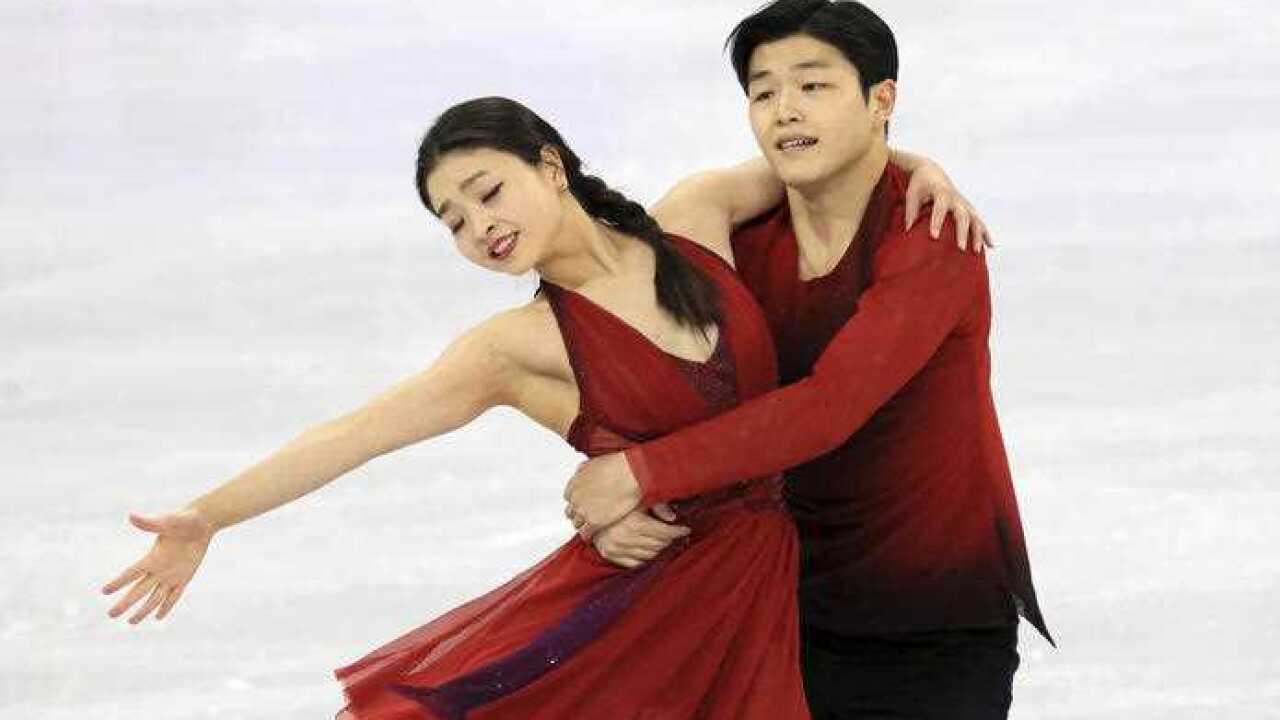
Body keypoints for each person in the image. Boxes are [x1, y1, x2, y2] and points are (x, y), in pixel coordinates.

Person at [98, 94, 978, 718]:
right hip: (638, 609)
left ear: (550, 166)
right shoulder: (513, 349)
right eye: (452, 221)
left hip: (759, 593)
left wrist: (924, 166)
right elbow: (355, 435)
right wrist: (208, 517)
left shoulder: (693, 218)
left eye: (487, 192)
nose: (478, 226)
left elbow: (826, 157)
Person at [563, 2, 1054, 719]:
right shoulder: (737, 239)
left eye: (813, 85)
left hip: (933, 626)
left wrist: (638, 474)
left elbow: (830, 406)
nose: (785, 110)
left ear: (881, 99)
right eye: (763, 92)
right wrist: (623, 500)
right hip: (777, 611)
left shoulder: (932, 237)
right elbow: (652, 376)